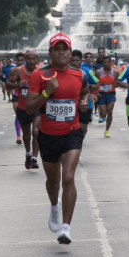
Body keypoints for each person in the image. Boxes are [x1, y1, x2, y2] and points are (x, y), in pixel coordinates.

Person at [26, 33, 89, 244]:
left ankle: (66, 227)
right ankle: (55, 206)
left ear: (70, 53)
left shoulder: (80, 75)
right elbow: (29, 108)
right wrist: (47, 93)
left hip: (72, 133)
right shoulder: (40, 75)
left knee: (68, 178)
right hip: (48, 135)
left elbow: (86, 91)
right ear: (50, 53)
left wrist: (84, 102)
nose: (61, 52)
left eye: (65, 49)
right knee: (53, 182)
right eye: (57, 49)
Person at [6, 49, 41, 170]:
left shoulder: (41, 71)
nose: (31, 61)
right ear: (25, 59)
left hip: (37, 107)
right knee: (26, 135)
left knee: (36, 132)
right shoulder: (17, 71)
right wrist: (17, 85)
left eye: (34, 59)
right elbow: (8, 85)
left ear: (37, 60)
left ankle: (34, 158)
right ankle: (28, 154)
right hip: (23, 108)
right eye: (29, 59)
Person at [70, 50, 99, 135]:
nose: (75, 63)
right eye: (73, 60)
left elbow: (97, 85)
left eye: (77, 60)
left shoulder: (87, 72)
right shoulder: (65, 72)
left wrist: (87, 86)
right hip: (70, 105)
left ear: (81, 61)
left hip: (85, 105)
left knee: (83, 129)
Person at [95, 53, 119, 136]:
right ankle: (101, 115)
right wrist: (96, 93)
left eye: (108, 62)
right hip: (101, 95)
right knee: (103, 114)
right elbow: (94, 83)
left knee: (110, 111)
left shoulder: (115, 72)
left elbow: (118, 81)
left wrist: (116, 84)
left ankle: (107, 130)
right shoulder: (98, 72)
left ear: (110, 62)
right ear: (103, 63)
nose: (106, 63)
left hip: (111, 94)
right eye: (104, 62)